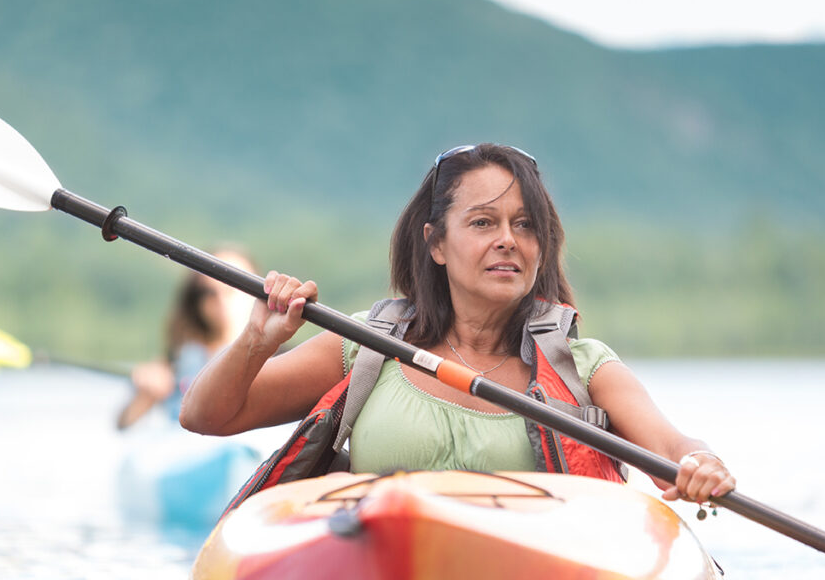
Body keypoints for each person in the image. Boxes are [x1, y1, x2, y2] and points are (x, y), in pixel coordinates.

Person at [180, 144, 735, 505]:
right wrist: (257, 341)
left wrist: (699, 464)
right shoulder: (367, 347)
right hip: (385, 576)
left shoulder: (584, 366)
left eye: (524, 225)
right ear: (436, 243)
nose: (508, 240)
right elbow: (205, 415)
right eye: (482, 222)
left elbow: (672, 452)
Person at [116, 247, 257, 430]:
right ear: (197, 301)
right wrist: (146, 394)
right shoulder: (179, 360)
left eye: (232, 287)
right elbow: (123, 424)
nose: (221, 300)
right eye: (210, 292)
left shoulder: (280, 356)